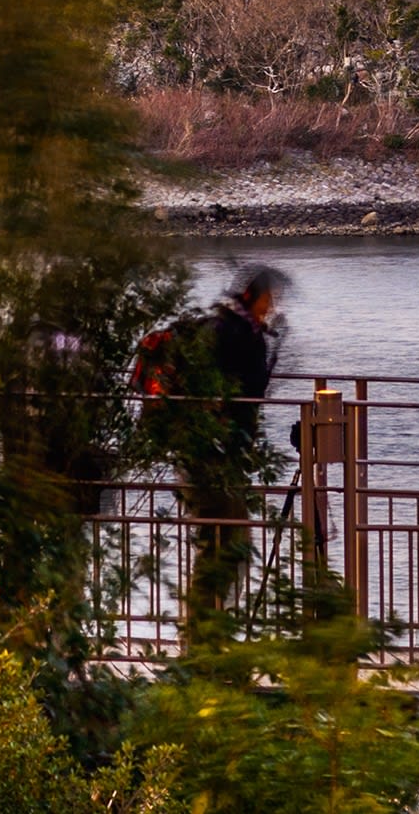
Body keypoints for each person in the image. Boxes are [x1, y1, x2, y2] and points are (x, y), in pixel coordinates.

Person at [138, 265, 288, 632]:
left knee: (223, 544)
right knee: (224, 546)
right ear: (254, 296)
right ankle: (204, 640)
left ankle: (207, 634)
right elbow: (245, 399)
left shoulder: (215, 327)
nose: (272, 307)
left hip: (196, 453)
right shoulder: (237, 336)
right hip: (213, 457)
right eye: (270, 299)